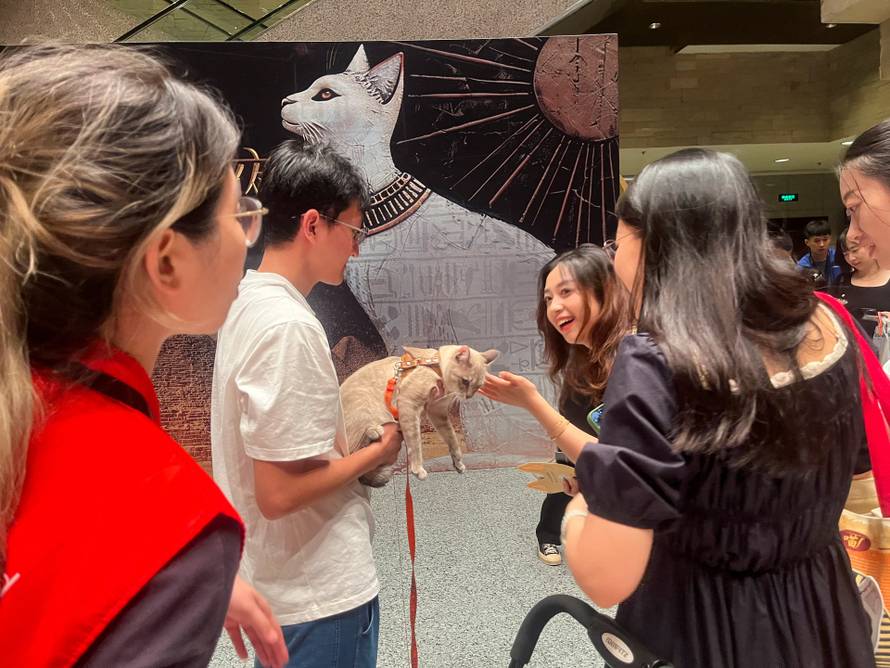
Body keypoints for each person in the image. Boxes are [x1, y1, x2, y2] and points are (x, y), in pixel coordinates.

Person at [0, 44, 286, 668]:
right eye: (238, 213)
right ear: (166, 261)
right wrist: (165, 574)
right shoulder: (169, 518)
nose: (248, 236)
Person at [560, 148, 874, 666]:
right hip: (822, 610)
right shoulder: (829, 321)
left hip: (701, 627)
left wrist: (579, 510)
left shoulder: (656, 363)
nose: (615, 261)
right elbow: (857, 463)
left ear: (656, 247)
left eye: (618, 243)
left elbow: (606, 576)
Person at [211, 139, 402, 668]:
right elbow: (278, 493)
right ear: (314, 225)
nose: (357, 248)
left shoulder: (248, 299)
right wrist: (382, 450)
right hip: (319, 592)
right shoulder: (289, 326)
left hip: (282, 579)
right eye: (355, 231)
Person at [479, 244, 628, 566]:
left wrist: (532, 402)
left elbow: (624, 470)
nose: (555, 307)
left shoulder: (638, 359)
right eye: (548, 298)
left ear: (606, 290)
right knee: (565, 482)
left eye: (566, 292)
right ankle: (547, 537)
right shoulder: (580, 358)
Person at [834, 226, 890, 337]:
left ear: (872, 245)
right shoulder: (842, 281)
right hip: (853, 349)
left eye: (855, 250)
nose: (851, 258)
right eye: (845, 254)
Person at [797, 219, 842, 286]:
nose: (822, 244)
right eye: (817, 241)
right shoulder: (802, 267)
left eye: (825, 239)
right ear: (807, 242)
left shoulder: (839, 257)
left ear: (830, 239)